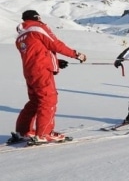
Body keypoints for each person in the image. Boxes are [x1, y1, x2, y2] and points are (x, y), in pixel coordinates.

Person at [9, 10, 87, 144]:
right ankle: (44, 133)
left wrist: (56, 62)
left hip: (30, 72)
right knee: (48, 100)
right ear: (37, 17)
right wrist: (76, 54)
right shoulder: (38, 27)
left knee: (35, 101)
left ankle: (23, 131)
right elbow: (55, 44)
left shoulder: (21, 37)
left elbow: (37, 53)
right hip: (41, 71)